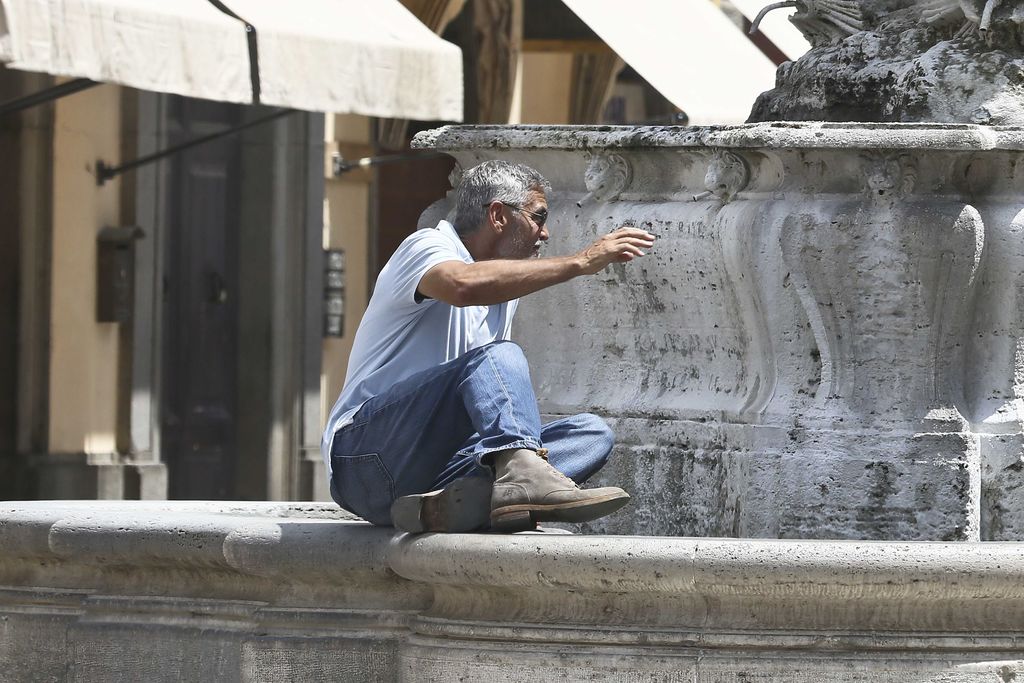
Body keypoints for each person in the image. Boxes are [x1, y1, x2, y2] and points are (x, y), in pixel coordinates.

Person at [321, 160, 655, 533]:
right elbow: (462, 286)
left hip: (433, 475)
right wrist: (581, 261)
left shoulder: (504, 288)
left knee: (591, 435)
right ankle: (517, 484)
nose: (545, 234)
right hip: (365, 457)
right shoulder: (427, 245)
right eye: (538, 218)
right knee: (499, 357)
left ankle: (452, 505)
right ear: (498, 215)